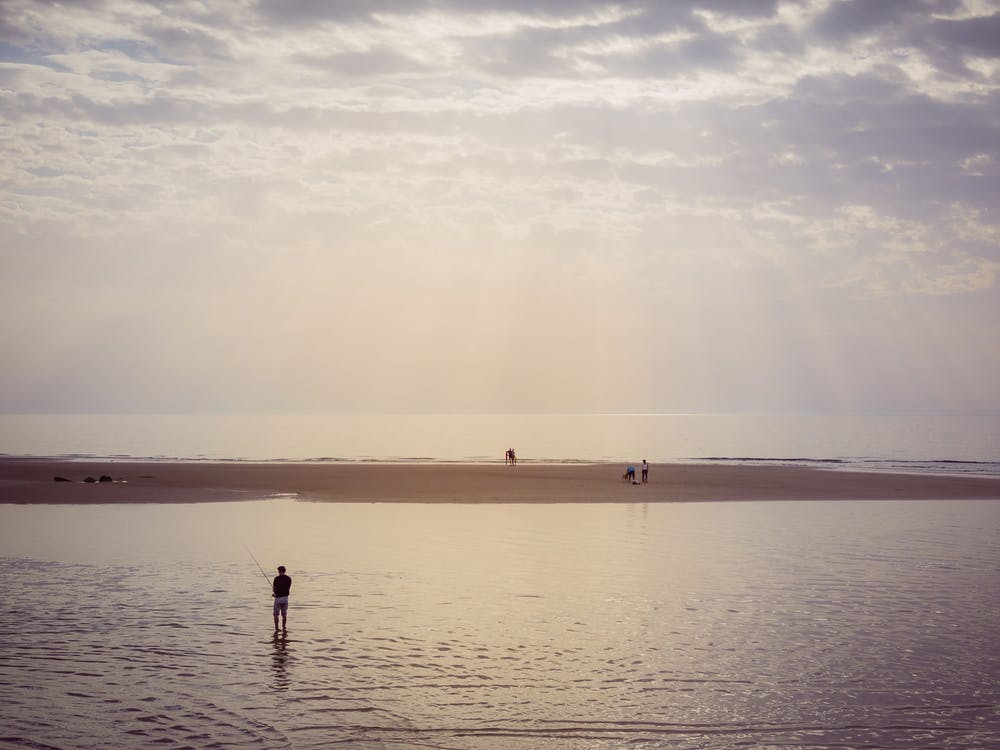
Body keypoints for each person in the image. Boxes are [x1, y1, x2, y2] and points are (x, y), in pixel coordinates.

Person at [272, 565, 292, 631]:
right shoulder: (289, 579)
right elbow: (287, 588)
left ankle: (276, 628)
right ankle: (284, 628)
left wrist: (274, 593)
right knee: (284, 614)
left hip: (278, 599)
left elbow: (274, 590)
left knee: (276, 615)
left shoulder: (276, 579)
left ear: (279, 571)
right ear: (285, 571)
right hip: (285, 598)